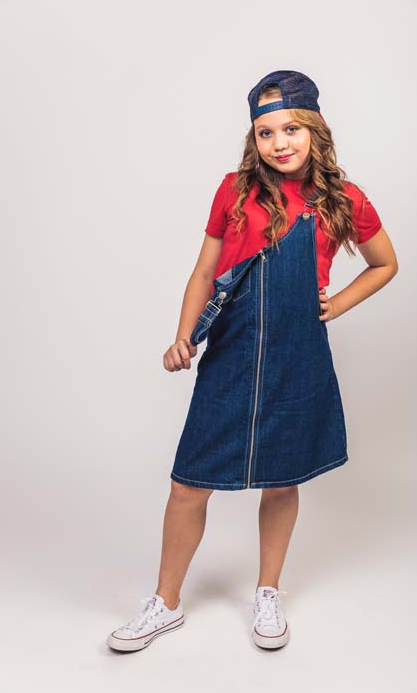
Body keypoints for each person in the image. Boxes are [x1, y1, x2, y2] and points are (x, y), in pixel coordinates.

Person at [106, 69, 398, 652]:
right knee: (189, 483)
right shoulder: (234, 191)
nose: (279, 143)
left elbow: (385, 262)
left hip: (298, 355)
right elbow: (205, 271)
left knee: (282, 481)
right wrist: (184, 336)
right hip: (232, 351)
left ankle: (268, 591)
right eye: (266, 133)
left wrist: (337, 303)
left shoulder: (343, 198)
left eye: (291, 129)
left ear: (314, 129)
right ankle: (165, 602)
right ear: (253, 139)